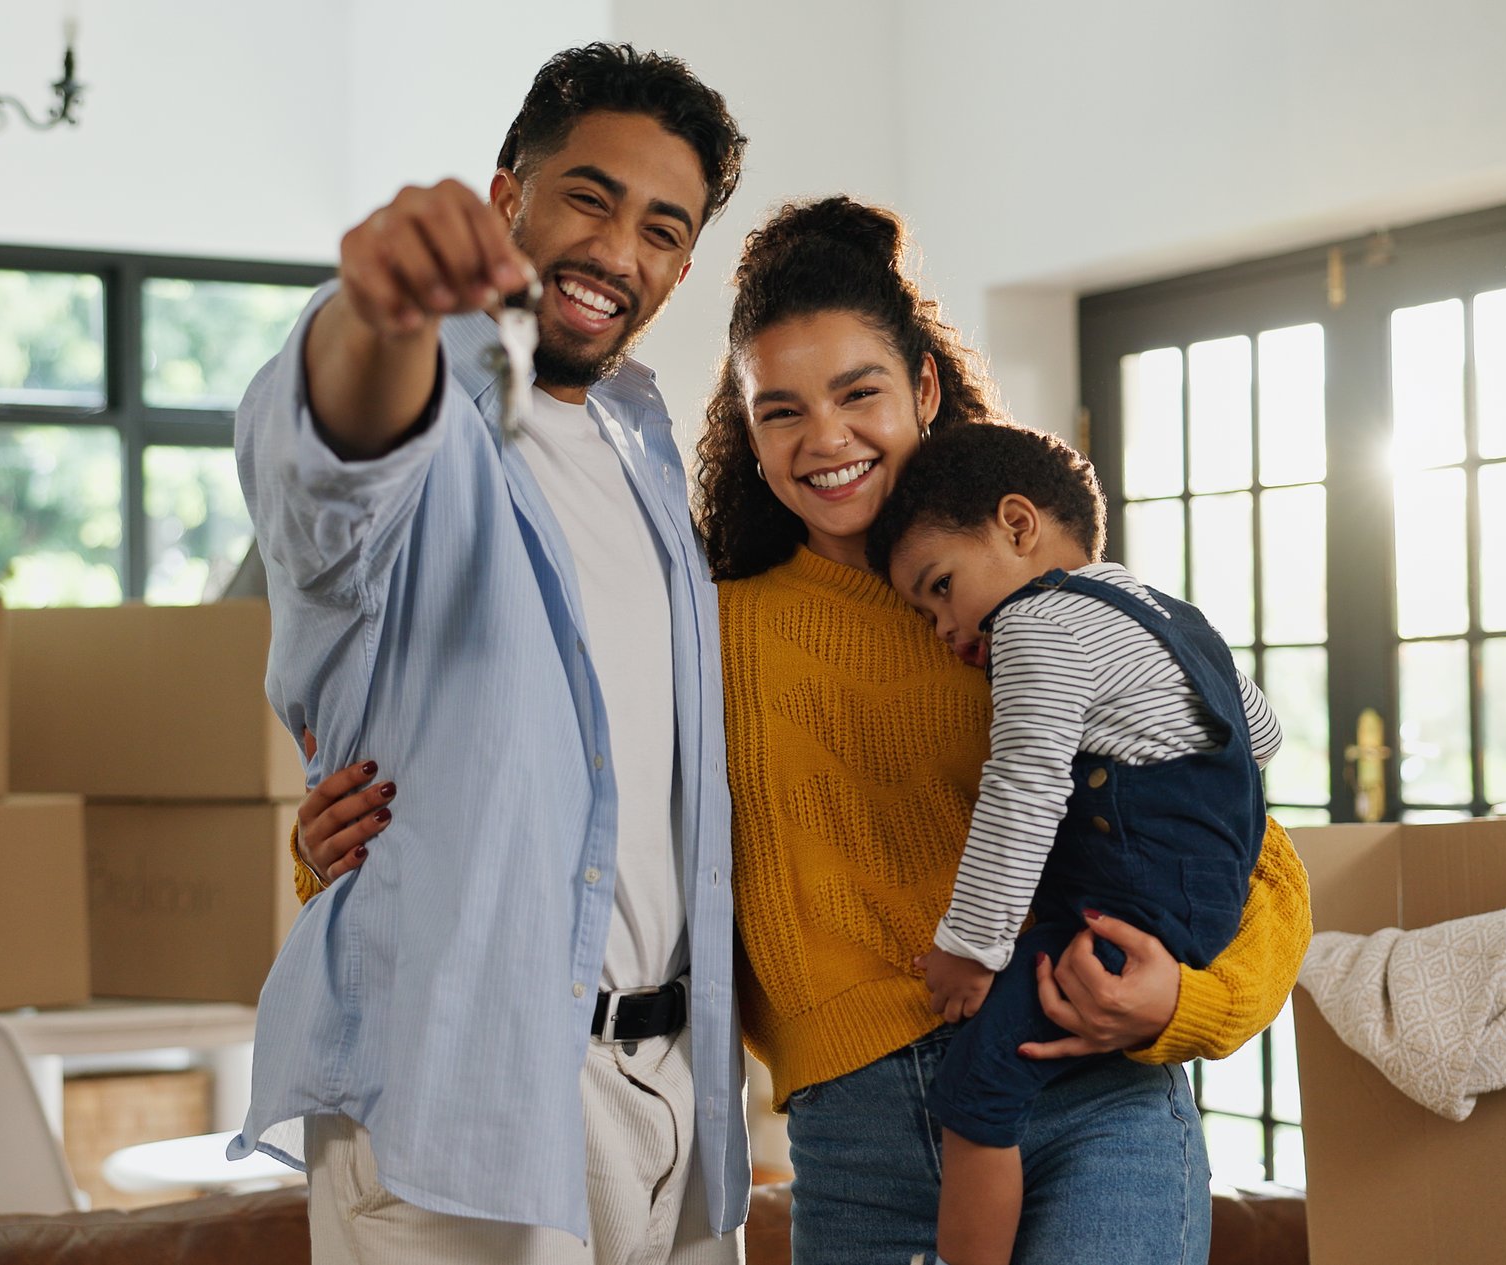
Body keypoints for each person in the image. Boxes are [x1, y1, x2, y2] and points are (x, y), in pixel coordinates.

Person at [297, 196, 1311, 1263]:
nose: (825, 438)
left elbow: (1252, 849)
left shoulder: (1043, 612)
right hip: (855, 1138)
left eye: (858, 391)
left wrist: (1180, 1002)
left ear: (923, 385)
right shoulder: (711, 628)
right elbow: (545, 789)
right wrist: (339, 852)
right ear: (746, 426)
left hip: (1093, 1101)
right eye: (779, 409)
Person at [228, 44, 751, 1265]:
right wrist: (380, 311)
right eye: (590, 196)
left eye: (662, 229)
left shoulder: (647, 450)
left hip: (674, 1100)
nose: (619, 252)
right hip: (464, 1098)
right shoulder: (426, 411)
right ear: (508, 188)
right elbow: (332, 461)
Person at [864, 422, 1276, 1265]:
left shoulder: (1037, 620)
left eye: (941, 587)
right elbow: (1258, 735)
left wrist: (970, 948)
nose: (943, 625)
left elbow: (1023, 786)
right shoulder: (1170, 612)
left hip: (1134, 904)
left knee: (978, 1089)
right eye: (926, 610)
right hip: (1201, 902)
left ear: (1019, 526)